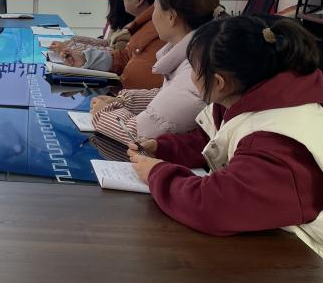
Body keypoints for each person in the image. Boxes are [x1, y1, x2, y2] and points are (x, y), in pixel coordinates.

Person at [128, 15, 323, 256]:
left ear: (219, 82)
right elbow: (211, 139)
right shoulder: (248, 97)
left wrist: (156, 174)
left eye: (194, 70)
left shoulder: (276, 141)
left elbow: (213, 205)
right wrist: (163, 148)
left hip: (305, 256)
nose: (191, 78)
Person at [89, 0, 223, 145]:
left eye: (155, 8)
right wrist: (123, 100)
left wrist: (103, 112)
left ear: (171, 17)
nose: (152, 17)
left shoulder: (194, 70)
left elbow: (140, 133)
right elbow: (166, 95)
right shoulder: (193, 55)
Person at [62, 0, 169, 89]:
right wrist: (84, 58)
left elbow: (144, 85)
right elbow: (123, 58)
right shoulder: (141, 28)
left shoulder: (156, 32)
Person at [50, 0, 134, 54]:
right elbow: (107, 43)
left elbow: (111, 55)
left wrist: (68, 48)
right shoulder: (119, 20)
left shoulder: (129, 31)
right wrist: (72, 42)